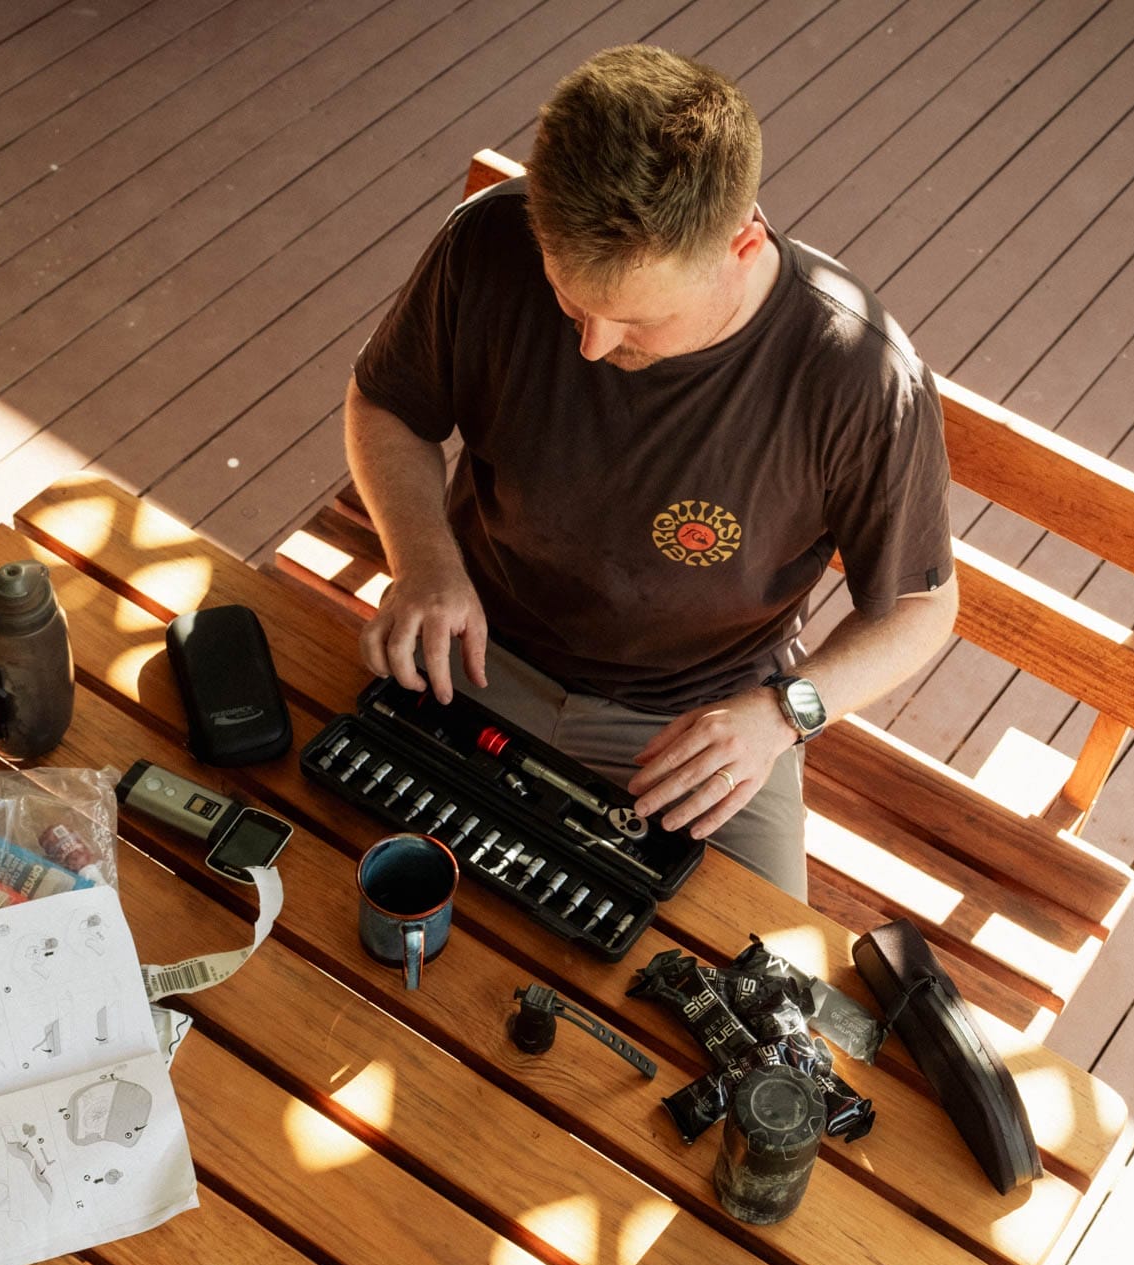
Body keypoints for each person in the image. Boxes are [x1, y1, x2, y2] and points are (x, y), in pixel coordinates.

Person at [343, 44, 958, 900]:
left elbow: (923, 608)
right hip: (476, 649)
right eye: (568, 300)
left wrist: (786, 714)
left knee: (744, 982)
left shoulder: (856, 379)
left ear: (742, 246)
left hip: (703, 728)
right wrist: (424, 564)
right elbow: (387, 407)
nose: (591, 345)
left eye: (635, 320)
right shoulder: (487, 241)